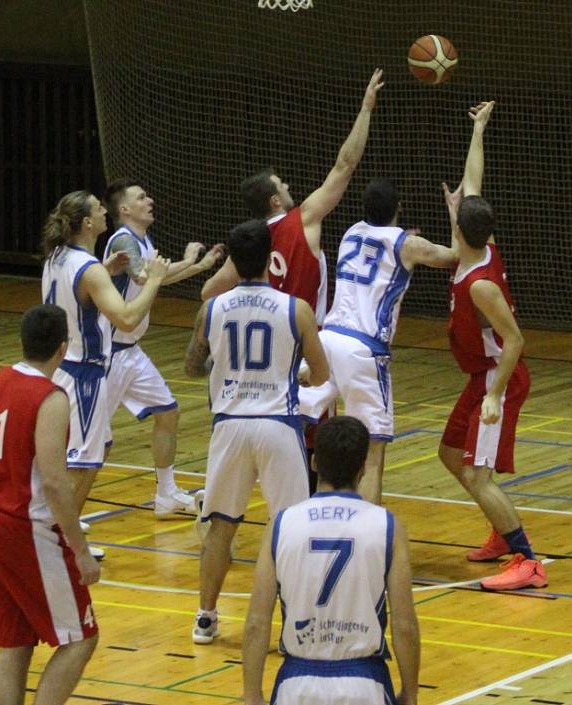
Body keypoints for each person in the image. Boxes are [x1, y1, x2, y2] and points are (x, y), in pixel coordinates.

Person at [201, 69, 385, 493]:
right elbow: (345, 164)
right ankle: (313, 517)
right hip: (306, 346)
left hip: (263, 358)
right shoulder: (302, 220)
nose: (288, 187)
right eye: (282, 185)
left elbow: (210, 293)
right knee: (318, 446)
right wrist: (365, 108)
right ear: (273, 199)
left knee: (275, 435)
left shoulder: (250, 243)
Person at [184, 219, 329, 644]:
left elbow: (192, 368)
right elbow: (320, 374)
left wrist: (225, 364)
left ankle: (206, 617)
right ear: (271, 258)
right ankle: (296, 625)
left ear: (231, 260)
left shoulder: (210, 308)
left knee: (220, 528)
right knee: (292, 529)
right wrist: (294, 375)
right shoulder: (296, 309)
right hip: (277, 426)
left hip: (229, 426)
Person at [0, 304, 101, 705]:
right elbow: (56, 483)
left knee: (16, 641)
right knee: (81, 638)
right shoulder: (51, 398)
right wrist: (81, 552)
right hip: (21, 526)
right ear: (63, 348)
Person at [439, 101, 547, 591]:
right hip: (479, 375)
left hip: (497, 376)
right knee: (448, 453)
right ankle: (501, 535)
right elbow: (473, 183)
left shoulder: (480, 284)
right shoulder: (479, 245)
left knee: (479, 474)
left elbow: (516, 341)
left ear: (460, 229)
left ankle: (527, 559)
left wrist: (494, 395)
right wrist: (478, 129)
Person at [299, 177, 459, 504]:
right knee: (372, 453)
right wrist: (454, 211)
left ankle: (310, 514)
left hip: (327, 342)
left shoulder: (351, 233)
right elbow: (455, 257)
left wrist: (404, 240)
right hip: (363, 350)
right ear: (398, 208)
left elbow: (382, 246)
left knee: (306, 434)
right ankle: (365, 532)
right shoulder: (409, 245)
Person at [242, 416, 420, 705]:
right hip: (364, 684)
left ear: (314, 463)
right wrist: (410, 694)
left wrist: (252, 697)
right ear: (363, 469)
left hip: (296, 684)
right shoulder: (387, 526)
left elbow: (256, 622)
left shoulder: (282, 524)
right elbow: (404, 624)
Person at [41, 190, 170, 558]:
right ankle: (60, 539)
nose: (104, 213)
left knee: (93, 449)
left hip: (62, 365)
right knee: (83, 462)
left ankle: (57, 531)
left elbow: (78, 293)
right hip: (84, 372)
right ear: (87, 224)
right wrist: (156, 280)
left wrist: (106, 273)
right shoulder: (89, 267)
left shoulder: (57, 256)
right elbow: (127, 317)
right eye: (99, 210)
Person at [102, 178, 224, 518]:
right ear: (124, 209)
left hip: (130, 350)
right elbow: (146, 279)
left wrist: (195, 265)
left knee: (167, 412)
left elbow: (156, 276)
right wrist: (190, 264)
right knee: (96, 440)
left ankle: (167, 494)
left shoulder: (140, 239)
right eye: (141, 197)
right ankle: (56, 508)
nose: (149, 199)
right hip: (109, 353)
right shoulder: (124, 239)